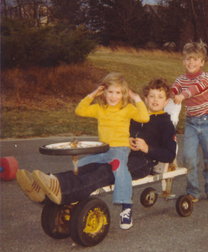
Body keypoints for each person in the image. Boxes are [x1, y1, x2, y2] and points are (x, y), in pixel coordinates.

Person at [17, 78, 177, 229]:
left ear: (167, 101)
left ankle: (62, 189)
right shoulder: (134, 116)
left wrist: (147, 148)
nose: (155, 100)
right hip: (120, 152)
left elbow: (170, 154)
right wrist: (127, 139)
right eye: (152, 96)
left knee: (104, 171)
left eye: (160, 97)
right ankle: (48, 185)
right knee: (89, 166)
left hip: (143, 162)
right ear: (145, 98)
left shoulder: (166, 123)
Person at [172, 40, 208, 203]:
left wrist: (182, 96)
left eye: (195, 59)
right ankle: (193, 191)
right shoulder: (180, 79)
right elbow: (173, 89)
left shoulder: (206, 77)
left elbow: (195, 88)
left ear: (202, 62)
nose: (191, 62)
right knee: (189, 157)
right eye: (188, 59)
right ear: (183, 61)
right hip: (191, 123)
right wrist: (169, 96)